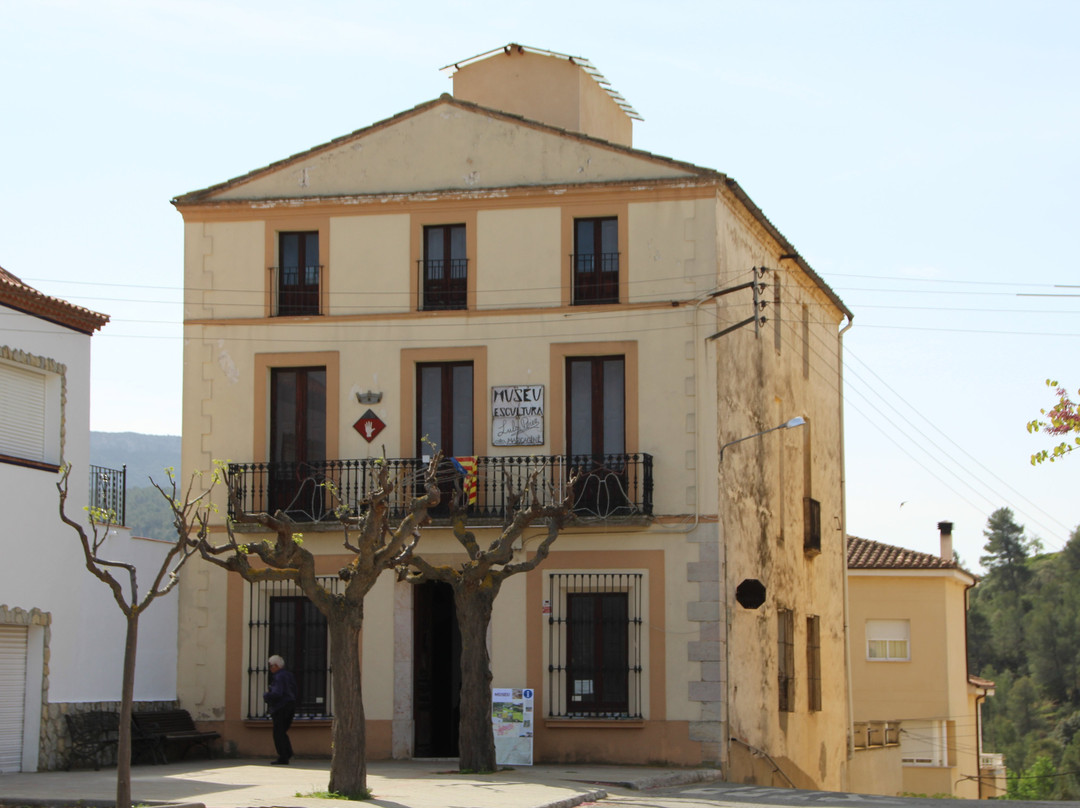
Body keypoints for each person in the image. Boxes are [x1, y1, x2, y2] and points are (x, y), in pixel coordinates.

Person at [264, 654, 297, 765]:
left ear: (277, 666)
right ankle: (287, 753)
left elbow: (277, 693)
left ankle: (283, 756)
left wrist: (267, 695)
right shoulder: (289, 675)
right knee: (282, 731)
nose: (270, 668)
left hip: (281, 707)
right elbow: (295, 690)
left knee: (278, 732)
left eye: (271, 666)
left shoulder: (278, 677)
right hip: (290, 705)